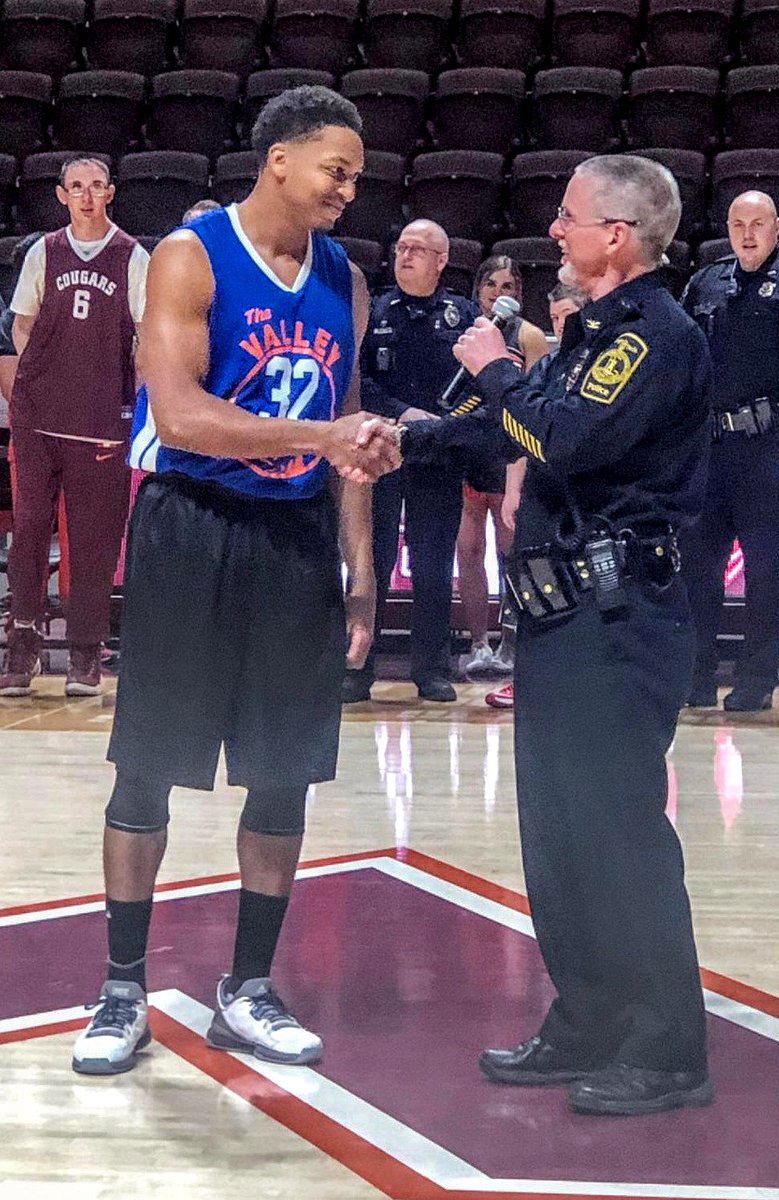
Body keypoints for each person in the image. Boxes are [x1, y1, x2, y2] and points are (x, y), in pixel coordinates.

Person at [71, 86, 399, 1076]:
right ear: (279, 161)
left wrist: (360, 566)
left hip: (296, 535)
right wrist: (322, 437)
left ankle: (246, 990)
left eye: (354, 173)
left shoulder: (344, 277)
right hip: (192, 525)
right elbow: (178, 417)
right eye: (335, 167)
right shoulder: (190, 254)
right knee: (147, 769)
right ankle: (121, 989)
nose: (348, 187)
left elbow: (343, 430)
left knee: (283, 770)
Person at [401, 154, 713, 1115]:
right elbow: (518, 430)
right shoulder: (593, 333)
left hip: (618, 621)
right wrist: (404, 437)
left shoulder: (655, 336)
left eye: (571, 220)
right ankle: (587, 1015)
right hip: (561, 619)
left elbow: (564, 436)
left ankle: (666, 1048)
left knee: (617, 834)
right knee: (558, 837)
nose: (558, 233)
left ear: (617, 236)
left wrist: (495, 367)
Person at [0, 159, 149, 697]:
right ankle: (23, 647)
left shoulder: (133, 256)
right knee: (30, 534)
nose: (87, 196)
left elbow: (147, 334)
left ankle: (85, 654)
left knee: (93, 541)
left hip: (101, 420)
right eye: (76, 187)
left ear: (110, 193)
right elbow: (21, 323)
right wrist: (49, 376)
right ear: (62, 195)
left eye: (95, 187)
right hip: (39, 418)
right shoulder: (44, 250)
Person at [680, 190, 779, 712]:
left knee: (767, 567)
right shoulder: (707, 281)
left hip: (771, 444)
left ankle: (754, 683)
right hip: (709, 445)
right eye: (738, 224)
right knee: (698, 567)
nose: (748, 233)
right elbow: (682, 359)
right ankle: (696, 680)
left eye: (758, 223)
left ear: (777, 227)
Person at [341, 218, 478, 704]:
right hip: (380, 449)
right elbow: (357, 381)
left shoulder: (463, 316)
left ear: (442, 261)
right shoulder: (376, 310)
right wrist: (403, 414)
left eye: (419, 249)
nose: (406, 255)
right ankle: (358, 668)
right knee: (371, 559)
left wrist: (436, 425)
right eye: (401, 247)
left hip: (437, 455)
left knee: (434, 564)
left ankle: (432, 669)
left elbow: (478, 384)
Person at [486, 280, 586, 710]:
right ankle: (521, 673)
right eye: (556, 318)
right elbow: (518, 430)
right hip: (541, 492)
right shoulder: (547, 366)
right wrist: (513, 490)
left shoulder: (600, 360)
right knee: (527, 582)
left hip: (584, 498)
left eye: (569, 317)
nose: (561, 326)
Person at [458, 256, 548, 678]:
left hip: (511, 453)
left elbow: (537, 407)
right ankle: (478, 642)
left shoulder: (529, 336)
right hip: (469, 449)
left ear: (519, 294)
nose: (499, 292)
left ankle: (513, 642)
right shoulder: (466, 330)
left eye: (508, 285)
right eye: (491, 284)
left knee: (512, 552)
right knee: (469, 550)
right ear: (478, 290)